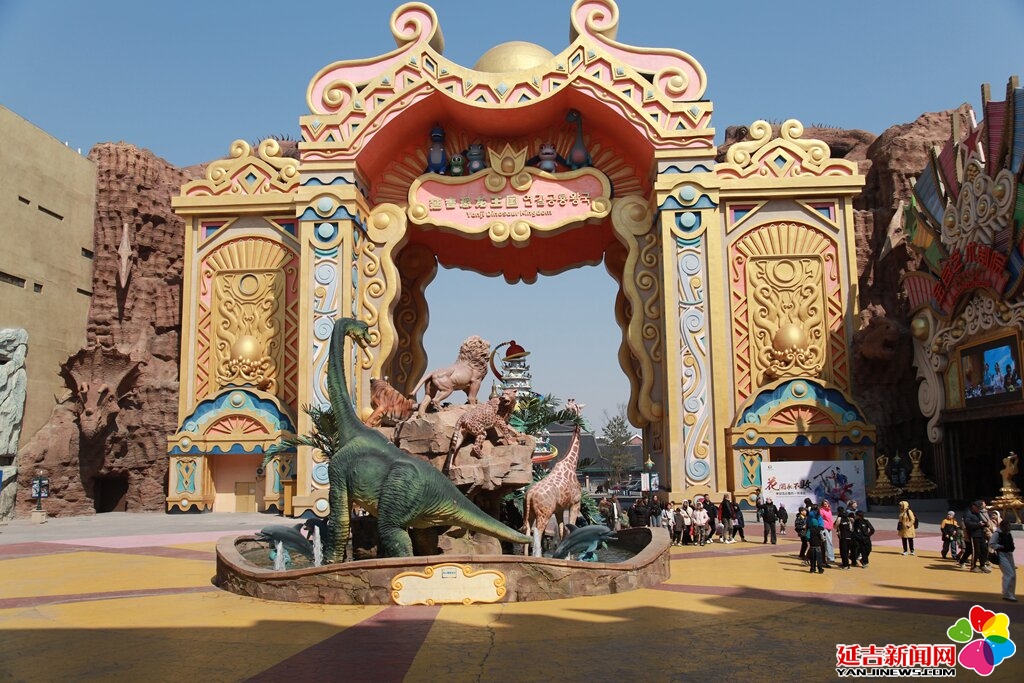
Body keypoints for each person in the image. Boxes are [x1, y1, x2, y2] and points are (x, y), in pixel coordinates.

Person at [990, 517, 1017, 602]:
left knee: (1013, 575)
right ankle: (1007, 594)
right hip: (1001, 554)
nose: (1009, 527)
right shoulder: (997, 533)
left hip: (1009, 554)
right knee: (1009, 574)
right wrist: (1000, 546)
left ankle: (1011, 593)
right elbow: (991, 544)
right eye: (1008, 525)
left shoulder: (1008, 534)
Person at [962, 500, 991, 572]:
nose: (979, 510)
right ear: (974, 506)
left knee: (984, 549)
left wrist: (985, 524)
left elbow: (981, 521)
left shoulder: (978, 513)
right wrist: (978, 524)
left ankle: (982, 565)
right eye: (978, 508)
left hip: (981, 533)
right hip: (974, 534)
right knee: (976, 551)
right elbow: (968, 524)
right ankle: (973, 566)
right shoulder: (968, 513)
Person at [806, 504, 826, 574]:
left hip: (812, 545)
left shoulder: (809, 516)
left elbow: (807, 536)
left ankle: (812, 569)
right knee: (819, 558)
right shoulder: (818, 515)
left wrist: (809, 539)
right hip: (818, 545)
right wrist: (822, 539)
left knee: (812, 558)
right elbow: (822, 535)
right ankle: (820, 569)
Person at [820, 500, 835, 566]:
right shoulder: (821, 511)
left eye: (827, 504)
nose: (826, 505)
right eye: (824, 504)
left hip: (829, 528)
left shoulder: (829, 510)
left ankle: (829, 556)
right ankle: (830, 557)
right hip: (825, 527)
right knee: (828, 543)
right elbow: (820, 519)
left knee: (829, 542)